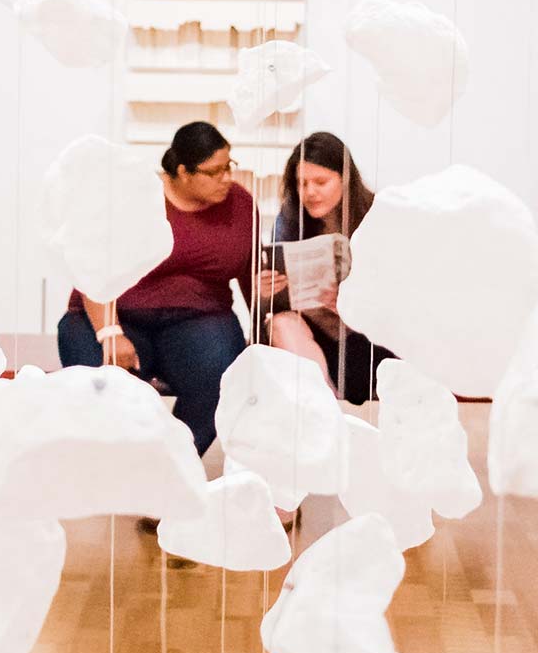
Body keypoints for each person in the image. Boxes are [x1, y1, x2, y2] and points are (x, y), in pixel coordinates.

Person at [56, 122, 255, 457]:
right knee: (96, 379)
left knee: (222, 373)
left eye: (228, 166)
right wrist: (110, 332)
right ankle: (120, 470)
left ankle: (171, 468)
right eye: (214, 171)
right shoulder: (132, 197)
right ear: (182, 172)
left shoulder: (240, 205)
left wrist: (266, 331)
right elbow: (91, 266)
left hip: (198, 319)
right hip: (118, 314)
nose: (226, 178)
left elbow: (252, 275)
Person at [261, 132, 396, 403]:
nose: (310, 192)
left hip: (366, 337)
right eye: (302, 183)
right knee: (281, 323)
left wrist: (352, 305)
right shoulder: (289, 220)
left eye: (321, 182)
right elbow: (271, 308)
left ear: (345, 177)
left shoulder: (378, 215)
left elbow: (399, 296)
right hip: (313, 338)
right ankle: (324, 406)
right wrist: (265, 292)